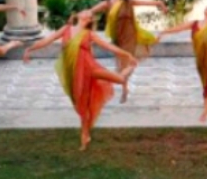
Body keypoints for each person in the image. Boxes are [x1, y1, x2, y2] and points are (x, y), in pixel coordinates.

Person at [22, 10, 135, 151]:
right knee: (82, 105)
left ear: (88, 19)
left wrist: (126, 54)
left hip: (90, 68)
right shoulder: (66, 29)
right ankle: (85, 135)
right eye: (85, 11)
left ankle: (130, 68)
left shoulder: (89, 34)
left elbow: (108, 46)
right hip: (75, 73)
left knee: (118, 79)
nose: (85, 12)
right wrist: (29, 49)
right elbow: (47, 40)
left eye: (88, 13)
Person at [84, 0, 167, 103]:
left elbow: (145, 2)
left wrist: (160, 4)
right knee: (122, 64)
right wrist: (80, 21)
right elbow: (90, 11)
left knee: (127, 62)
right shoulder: (107, 3)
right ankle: (125, 88)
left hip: (130, 35)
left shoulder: (128, 1)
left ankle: (122, 87)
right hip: (118, 36)